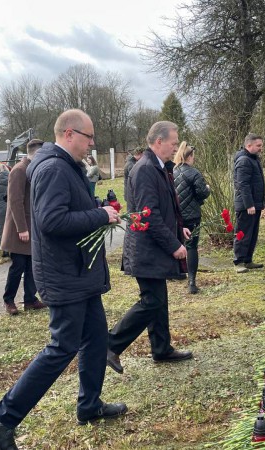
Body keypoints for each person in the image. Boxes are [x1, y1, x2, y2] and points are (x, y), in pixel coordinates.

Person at [0, 110, 126, 450]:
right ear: (70, 133)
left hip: (80, 271)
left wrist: (95, 208)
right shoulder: (52, 168)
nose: (93, 143)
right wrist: (99, 215)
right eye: (89, 137)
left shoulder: (65, 166)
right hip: (65, 274)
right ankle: (3, 415)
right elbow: (51, 221)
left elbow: (67, 209)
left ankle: (89, 405)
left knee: (94, 339)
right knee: (62, 347)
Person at [106, 121, 194, 375]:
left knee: (158, 299)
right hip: (146, 248)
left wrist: (179, 230)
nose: (175, 147)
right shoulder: (145, 169)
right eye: (173, 143)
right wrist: (173, 244)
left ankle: (161, 348)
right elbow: (148, 215)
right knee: (152, 300)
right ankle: (110, 344)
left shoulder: (157, 166)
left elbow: (164, 208)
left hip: (151, 246)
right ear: (158, 142)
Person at [0, 140, 45, 316]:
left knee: (32, 266)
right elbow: (15, 201)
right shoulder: (19, 170)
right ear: (35, 153)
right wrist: (21, 228)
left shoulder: (32, 168)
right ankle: (9, 300)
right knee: (17, 266)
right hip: (19, 229)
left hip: (32, 226)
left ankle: (30, 299)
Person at [173, 142, 211, 294]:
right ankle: (192, 282)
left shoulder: (172, 171)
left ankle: (176, 273)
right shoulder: (194, 173)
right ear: (189, 156)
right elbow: (202, 193)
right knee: (191, 247)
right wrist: (207, 189)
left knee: (175, 243)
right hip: (191, 215)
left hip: (175, 215)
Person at [233, 133, 265, 274]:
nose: (260, 148)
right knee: (243, 233)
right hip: (247, 205)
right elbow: (243, 184)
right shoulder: (244, 161)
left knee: (252, 233)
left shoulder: (253, 159)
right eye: (258, 146)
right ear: (249, 145)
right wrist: (249, 204)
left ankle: (248, 259)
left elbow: (258, 183)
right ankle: (239, 261)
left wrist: (261, 202)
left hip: (255, 203)